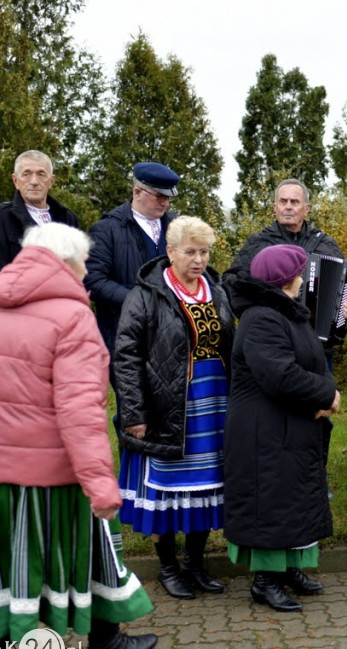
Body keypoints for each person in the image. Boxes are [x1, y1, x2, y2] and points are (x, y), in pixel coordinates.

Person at [0, 224, 156, 649]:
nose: (85, 272)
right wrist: (100, 483)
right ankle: (105, 642)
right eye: (82, 262)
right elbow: (81, 410)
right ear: (67, 263)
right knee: (95, 549)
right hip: (53, 478)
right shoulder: (72, 319)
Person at [114, 216, 235, 599]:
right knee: (167, 489)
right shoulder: (146, 294)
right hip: (167, 405)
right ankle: (168, 567)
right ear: (169, 252)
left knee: (208, 484)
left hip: (214, 402)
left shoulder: (215, 290)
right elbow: (126, 357)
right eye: (190, 252)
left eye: (204, 252)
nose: (199, 260)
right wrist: (134, 414)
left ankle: (196, 565)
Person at [224, 244, 339, 613]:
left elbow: (314, 359)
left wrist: (324, 393)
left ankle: (291, 568)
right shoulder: (261, 318)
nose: (304, 277)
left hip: (292, 423)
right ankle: (265, 581)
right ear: (283, 279)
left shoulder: (289, 313)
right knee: (271, 501)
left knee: (295, 497)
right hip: (265, 429)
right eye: (299, 271)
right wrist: (326, 394)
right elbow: (280, 376)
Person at [222, 178, 347, 326]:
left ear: (306, 209)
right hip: (271, 332)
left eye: (294, 202)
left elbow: (346, 289)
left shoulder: (326, 244)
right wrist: (261, 305)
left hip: (317, 339)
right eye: (283, 201)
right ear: (275, 207)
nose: (288, 207)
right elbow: (231, 284)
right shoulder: (258, 243)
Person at [85, 162, 179, 354]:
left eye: (168, 197)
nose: (166, 203)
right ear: (137, 192)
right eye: (160, 196)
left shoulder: (179, 228)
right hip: (125, 338)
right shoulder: (105, 230)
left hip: (172, 337)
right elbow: (93, 281)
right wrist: (137, 301)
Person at [0, 150, 80, 295]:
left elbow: (77, 276)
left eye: (41, 174)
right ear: (15, 181)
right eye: (26, 174)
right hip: (18, 313)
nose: (34, 181)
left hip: (62, 312)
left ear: (51, 181)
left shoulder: (67, 219)